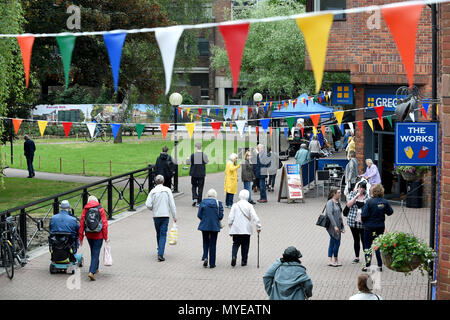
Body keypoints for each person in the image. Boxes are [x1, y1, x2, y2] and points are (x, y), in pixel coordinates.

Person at [361, 184, 393, 272]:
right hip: (380, 227)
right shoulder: (385, 202)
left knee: (367, 246)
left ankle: (367, 266)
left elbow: (364, 215)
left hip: (369, 228)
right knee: (378, 246)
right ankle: (379, 266)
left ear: (373, 192)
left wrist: (364, 222)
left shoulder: (369, 202)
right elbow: (390, 212)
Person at [145, 175, 177, 262]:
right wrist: (174, 216)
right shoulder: (167, 190)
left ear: (155, 182)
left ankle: (160, 248)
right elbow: (172, 205)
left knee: (158, 233)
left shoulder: (153, 191)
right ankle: (160, 253)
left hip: (156, 215)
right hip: (165, 215)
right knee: (163, 234)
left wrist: (152, 208)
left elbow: (148, 204)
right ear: (163, 181)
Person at [228, 189, 261, 267]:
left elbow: (230, 217)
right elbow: (254, 216)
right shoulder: (249, 205)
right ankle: (244, 261)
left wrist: (230, 225)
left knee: (235, 244)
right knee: (245, 245)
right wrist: (258, 226)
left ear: (239, 196)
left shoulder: (235, 205)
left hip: (236, 228)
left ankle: (234, 256)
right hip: (246, 229)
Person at [79, 195, 108, 281]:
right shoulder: (100, 209)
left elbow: (81, 223)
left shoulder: (85, 209)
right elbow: (105, 224)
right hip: (98, 235)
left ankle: (96, 268)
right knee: (96, 252)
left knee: (94, 251)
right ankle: (91, 272)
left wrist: (81, 237)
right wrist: (106, 237)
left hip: (89, 234)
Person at [197, 189, 224, 268]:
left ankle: (205, 256)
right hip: (214, 226)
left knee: (205, 242)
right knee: (213, 244)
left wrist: (204, 219)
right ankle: (212, 263)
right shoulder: (218, 203)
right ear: (215, 195)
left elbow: (199, 214)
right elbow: (220, 216)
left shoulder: (203, 202)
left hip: (204, 225)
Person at [345, 181, 370, 264]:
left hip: (363, 222)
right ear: (357, 187)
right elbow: (348, 205)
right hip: (353, 221)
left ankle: (367, 259)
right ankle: (356, 257)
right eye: (360, 187)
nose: (361, 189)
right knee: (356, 240)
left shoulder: (367, 196)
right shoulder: (352, 194)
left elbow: (368, 206)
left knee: (364, 240)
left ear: (365, 188)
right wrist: (356, 196)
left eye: (362, 188)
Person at [326, 188, 345, 267]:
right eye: (339, 192)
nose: (340, 194)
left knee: (335, 242)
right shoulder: (330, 202)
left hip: (338, 225)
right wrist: (335, 226)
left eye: (340, 192)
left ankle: (333, 260)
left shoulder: (338, 202)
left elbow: (340, 216)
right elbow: (330, 214)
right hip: (332, 226)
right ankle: (332, 260)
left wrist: (342, 226)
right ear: (334, 194)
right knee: (335, 242)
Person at [187, 142, 209, 207]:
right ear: (201, 147)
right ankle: (199, 201)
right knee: (200, 187)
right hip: (201, 174)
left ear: (196, 147)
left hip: (194, 173)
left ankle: (195, 198)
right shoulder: (204, 155)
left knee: (193, 186)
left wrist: (188, 158)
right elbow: (207, 162)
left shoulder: (193, 155)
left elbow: (188, 163)